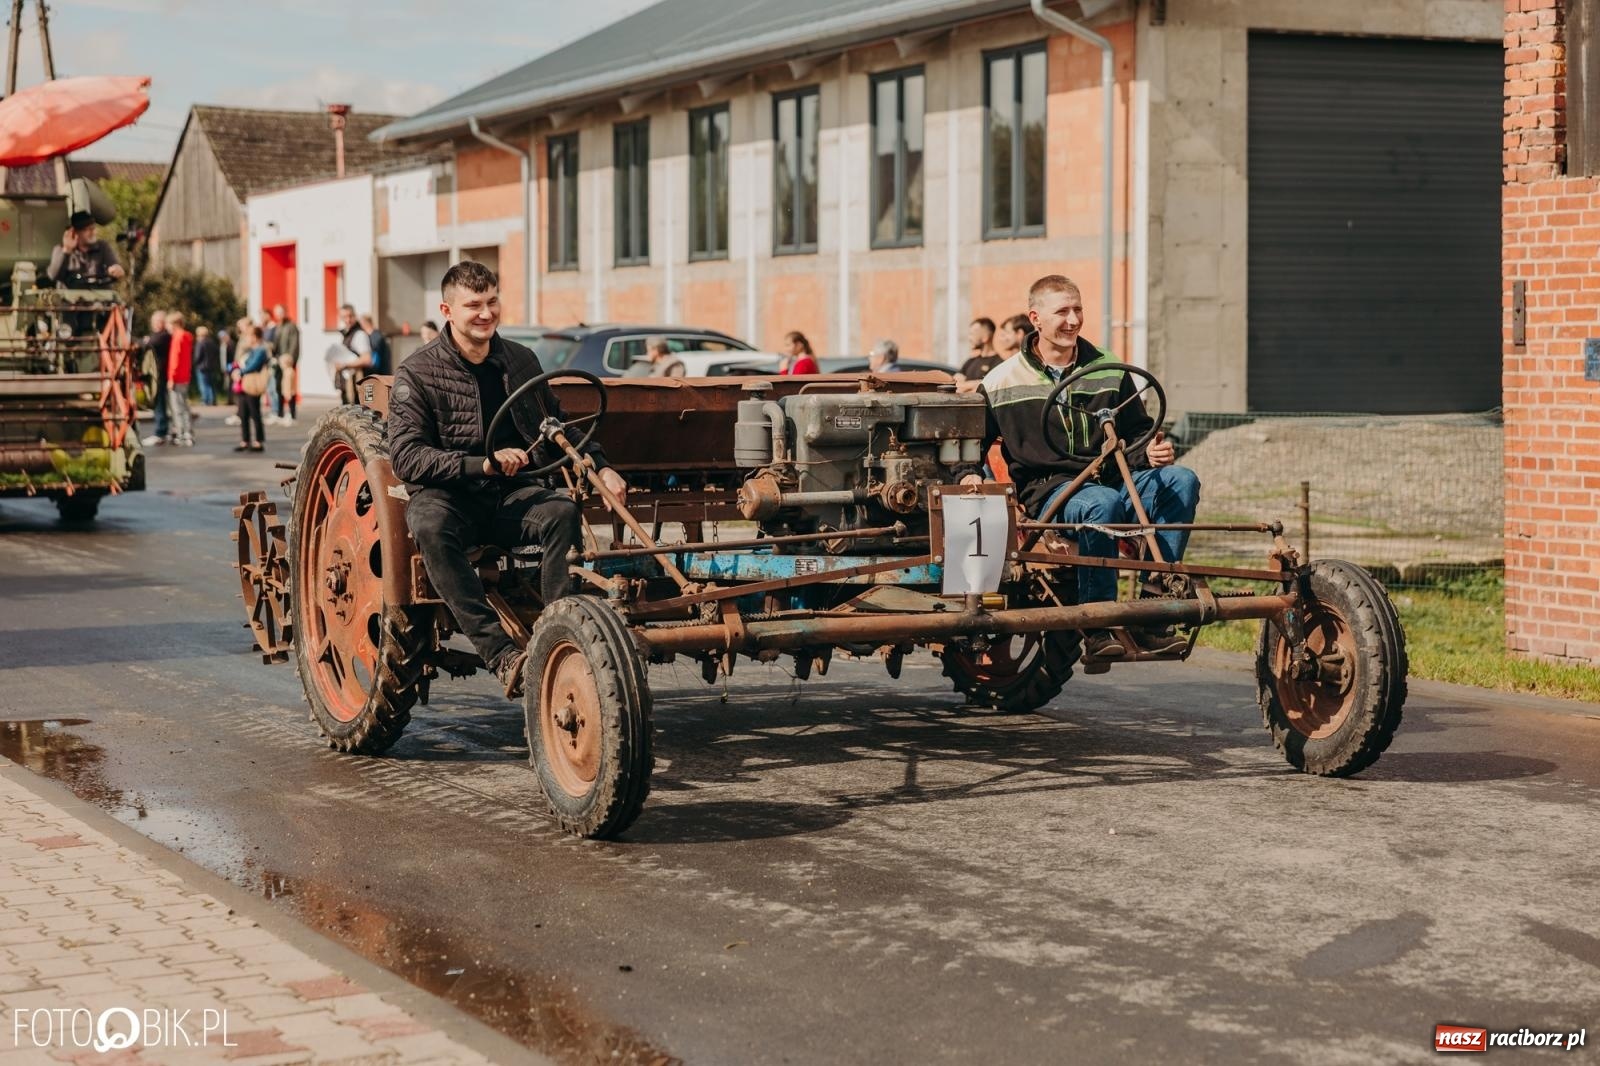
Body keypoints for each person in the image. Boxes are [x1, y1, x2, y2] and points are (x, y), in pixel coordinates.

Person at [389, 261, 629, 698]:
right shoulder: (417, 372)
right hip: (451, 497)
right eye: (473, 305)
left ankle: (558, 635)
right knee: (428, 524)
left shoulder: (520, 360)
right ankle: (501, 655)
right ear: (447, 310)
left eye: (492, 301)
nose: (485, 313)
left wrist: (601, 465)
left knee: (560, 511)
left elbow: (555, 425)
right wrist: (482, 464)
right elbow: (407, 457)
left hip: (508, 496)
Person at [961, 274, 1200, 661]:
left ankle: (1155, 610)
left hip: (1113, 476)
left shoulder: (1108, 367)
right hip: (1051, 489)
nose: (1073, 320)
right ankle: (1096, 625)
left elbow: (1137, 433)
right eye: (1062, 312)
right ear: (1035, 318)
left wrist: (1151, 453)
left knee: (1181, 481)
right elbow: (973, 445)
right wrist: (967, 473)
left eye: (1078, 310)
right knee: (1101, 503)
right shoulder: (1002, 380)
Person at [46, 211, 125, 289]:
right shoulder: (60, 250)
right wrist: (67, 251)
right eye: (88, 230)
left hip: (100, 298)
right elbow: (53, 276)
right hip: (71, 299)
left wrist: (116, 270)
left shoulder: (102, 247)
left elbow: (113, 265)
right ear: (75, 232)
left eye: (93, 228)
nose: (93, 232)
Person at [232, 324, 269, 452]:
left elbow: (253, 365)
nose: (246, 338)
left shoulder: (261, 350)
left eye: (248, 335)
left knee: (254, 413)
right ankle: (245, 440)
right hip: (245, 384)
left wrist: (240, 372)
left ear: (255, 336)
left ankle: (258, 441)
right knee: (243, 413)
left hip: (253, 384)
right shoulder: (251, 350)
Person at [140, 311, 171, 446]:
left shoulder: (163, 336)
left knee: (159, 403)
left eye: (158, 321)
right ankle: (163, 431)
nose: (155, 324)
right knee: (160, 403)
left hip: (159, 374)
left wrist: (144, 341)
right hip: (158, 374)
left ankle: (161, 432)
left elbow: (149, 343)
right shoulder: (161, 336)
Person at [333, 304, 375, 402]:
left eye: (350, 316)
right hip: (348, 385)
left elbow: (367, 359)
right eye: (344, 317)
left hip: (357, 387)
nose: (348, 320)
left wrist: (344, 365)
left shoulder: (359, 334)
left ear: (355, 316)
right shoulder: (346, 334)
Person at [166, 311, 195, 446]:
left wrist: (171, 377)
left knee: (177, 407)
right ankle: (188, 432)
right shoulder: (187, 337)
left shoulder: (178, 337)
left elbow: (175, 359)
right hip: (185, 376)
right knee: (184, 405)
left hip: (177, 377)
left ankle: (181, 433)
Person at [271, 304, 300, 424]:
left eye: (281, 312)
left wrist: (291, 359)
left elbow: (294, 344)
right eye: (277, 313)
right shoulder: (277, 327)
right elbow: (274, 345)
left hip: (288, 361)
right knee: (279, 387)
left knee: (290, 388)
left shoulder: (292, 326)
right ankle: (280, 413)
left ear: (285, 312)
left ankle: (291, 414)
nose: (279, 315)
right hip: (278, 361)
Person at [957, 318, 1001, 383]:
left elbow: (987, 387)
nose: (969, 338)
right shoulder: (970, 362)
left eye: (972, 334)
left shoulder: (999, 364)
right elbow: (956, 384)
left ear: (985, 337)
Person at [194, 326, 222, 407]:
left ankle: (205, 400)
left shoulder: (200, 343)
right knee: (211, 384)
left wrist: (195, 363)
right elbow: (217, 354)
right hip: (211, 366)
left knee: (203, 384)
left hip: (202, 367)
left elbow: (197, 356)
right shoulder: (212, 343)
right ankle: (213, 399)